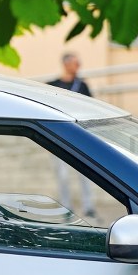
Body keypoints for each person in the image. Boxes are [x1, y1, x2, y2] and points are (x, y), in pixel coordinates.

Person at [47, 52, 97, 218]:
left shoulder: (82, 85)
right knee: (62, 175)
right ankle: (66, 207)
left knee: (85, 174)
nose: (78, 66)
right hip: (60, 136)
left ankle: (88, 206)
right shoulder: (53, 85)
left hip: (80, 136)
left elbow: (91, 108)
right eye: (76, 63)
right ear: (66, 64)